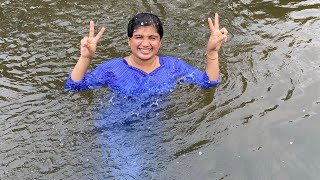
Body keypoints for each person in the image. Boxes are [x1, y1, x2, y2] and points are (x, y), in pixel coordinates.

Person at [64, 12, 228, 96]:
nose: (145, 44)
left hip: (158, 131)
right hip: (117, 130)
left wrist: (212, 52)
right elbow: (74, 87)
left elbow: (209, 83)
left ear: (160, 42)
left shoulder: (173, 66)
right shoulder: (113, 68)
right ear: (129, 41)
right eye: (138, 37)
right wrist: (86, 58)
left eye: (152, 38)